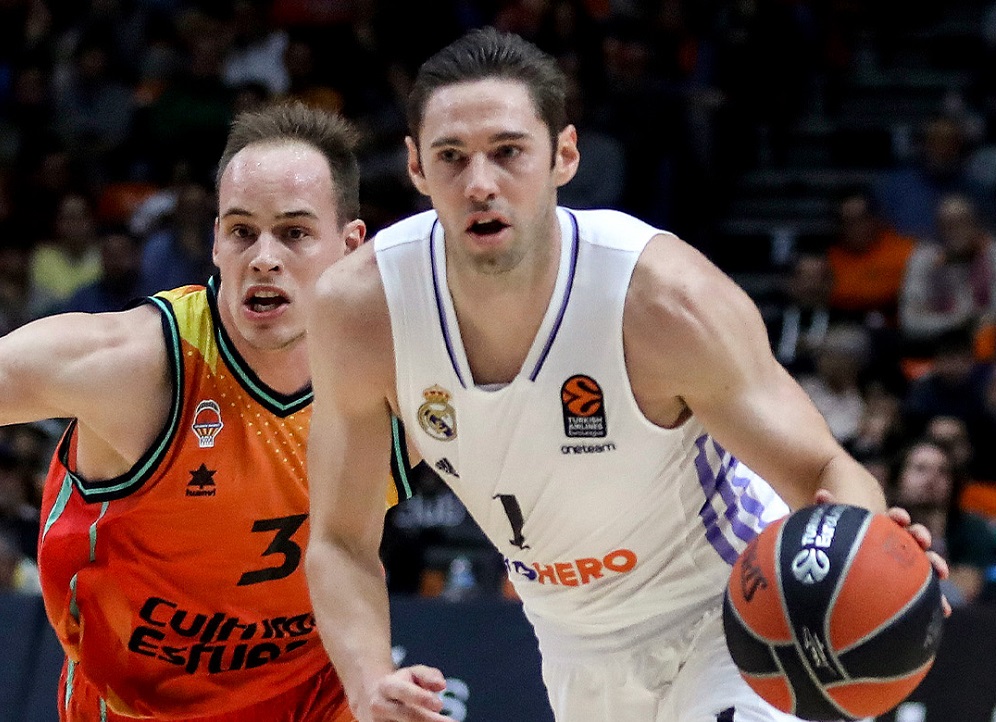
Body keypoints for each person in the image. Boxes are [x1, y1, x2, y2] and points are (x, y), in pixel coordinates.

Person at [304, 28, 947, 722]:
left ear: (565, 155)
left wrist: (870, 560)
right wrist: (368, 681)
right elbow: (340, 539)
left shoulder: (662, 300)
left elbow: (822, 467)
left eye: (508, 152)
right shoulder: (362, 312)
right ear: (416, 167)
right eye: (451, 157)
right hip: (573, 646)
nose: (480, 184)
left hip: (731, 610)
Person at [0, 102, 409, 720]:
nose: (264, 257)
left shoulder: (399, 370)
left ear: (349, 245)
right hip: (138, 701)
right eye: (242, 231)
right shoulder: (141, 366)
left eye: (294, 233)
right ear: (216, 240)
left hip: (314, 694)